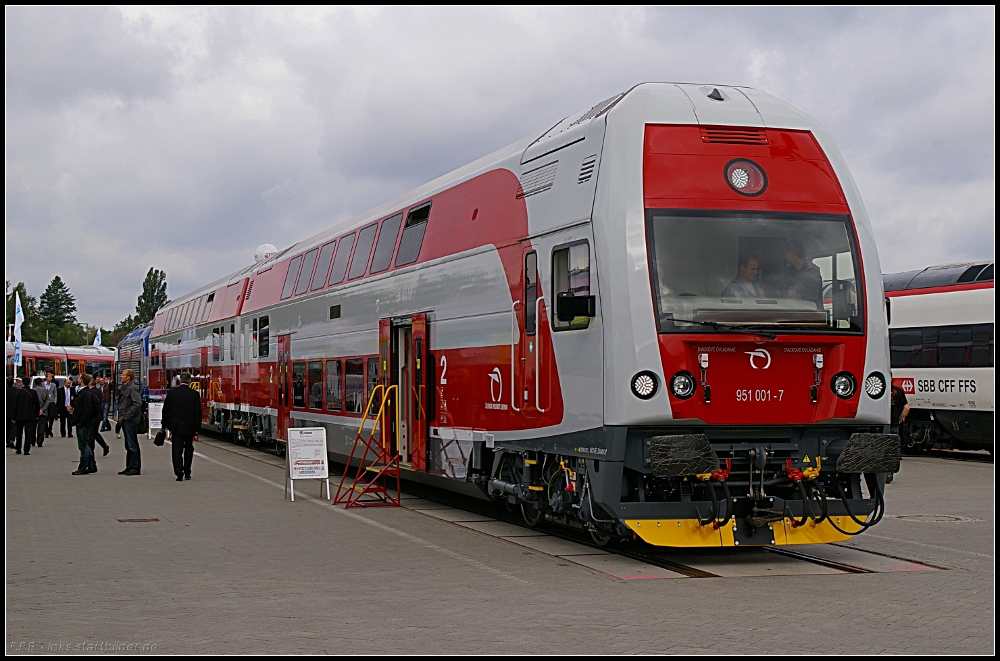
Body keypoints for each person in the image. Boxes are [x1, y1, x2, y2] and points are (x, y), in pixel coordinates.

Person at [161, 372, 202, 481]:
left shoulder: (173, 393)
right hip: (189, 426)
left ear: (179, 381)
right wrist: (197, 428)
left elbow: (166, 410)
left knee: (176, 449)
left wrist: (164, 425)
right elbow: (197, 412)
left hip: (176, 426)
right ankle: (187, 471)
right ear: (189, 381)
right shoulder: (194, 394)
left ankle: (179, 473)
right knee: (189, 448)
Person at [69, 374, 101, 475]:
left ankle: (83, 466)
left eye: (79, 378)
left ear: (82, 381)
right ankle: (92, 465)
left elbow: (87, 410)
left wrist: (80, 421)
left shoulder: (85, 393)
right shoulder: (84, 392)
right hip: (84, 422)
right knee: (86, 445)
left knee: (83, 446)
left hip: (83, 423)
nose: (77, 380)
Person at [115, 368, 143, 476]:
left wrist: (128, 416)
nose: (121, 376)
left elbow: (137, 403)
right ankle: (129, 466)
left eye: (123, 375)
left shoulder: (132, 388)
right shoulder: (124, 387)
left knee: (132, 444)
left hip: (130, 420)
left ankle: (135, 467)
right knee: (128, 445)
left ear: (128, 377)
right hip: (124, 419)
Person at [783, 239, 824, 309]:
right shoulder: (788, 272)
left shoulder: (812, 273)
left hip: (810, 314)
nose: (784, 257)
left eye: (785, 254)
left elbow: (811, 299)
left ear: (792, 254)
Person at [14, 377, 41, 455]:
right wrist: (36, 414)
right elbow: (37, 404)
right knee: (29, 433)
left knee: (19, 433)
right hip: (30, 416)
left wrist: (14, 416)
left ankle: (18, 448)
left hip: (20, 416)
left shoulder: (18, 392)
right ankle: (26, 450)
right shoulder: (33, 392)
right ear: (29, 383)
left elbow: (15, 405)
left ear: (22, 383)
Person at [89, 377, 111, 457]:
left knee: (92, 434)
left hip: (93, 416)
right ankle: (104, 446)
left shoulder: (90, 392)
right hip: (98, 415)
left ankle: (91, 451)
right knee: (95, 433)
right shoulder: (98, 390)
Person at [33, 377, 51, 448]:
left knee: (33, 426)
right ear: (41, 383)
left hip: (34, 412)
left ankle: (32, 440)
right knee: (41, 427)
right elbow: (48, 401)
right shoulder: (45, 391)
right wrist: (43, 409)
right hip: (43, 411)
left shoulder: (33, 391)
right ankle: (40, 441)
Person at [6, 377, 16, 448]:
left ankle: (7, 441)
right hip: (13, 412)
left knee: (6, 427)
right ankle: (11, 439)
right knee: (13, 426)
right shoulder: (16, 391)